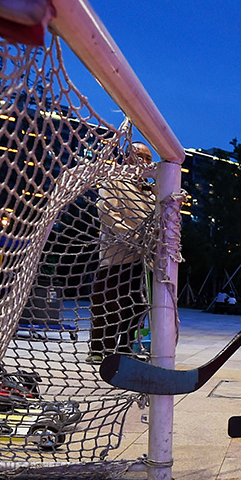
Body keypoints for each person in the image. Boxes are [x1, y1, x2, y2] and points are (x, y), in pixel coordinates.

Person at [89, 142, 155, 364]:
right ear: (126, 158)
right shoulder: (113, 181)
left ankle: (126, 347)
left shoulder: (151, 191)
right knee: (108, 304)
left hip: (142, 260)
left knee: (137, 306)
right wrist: (134, 237)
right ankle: (99, 349)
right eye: (139, 156)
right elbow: (107, 213)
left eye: (148, 158)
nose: (144, 161)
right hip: (115, 256)